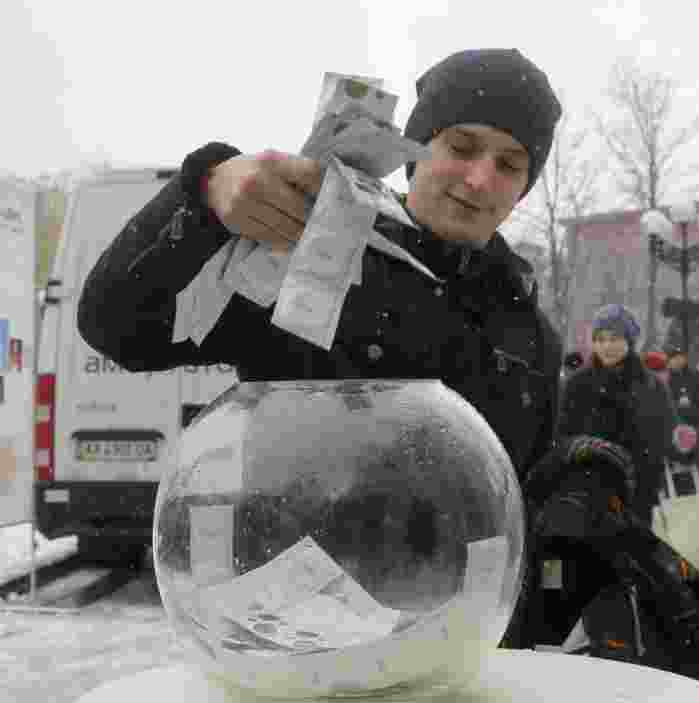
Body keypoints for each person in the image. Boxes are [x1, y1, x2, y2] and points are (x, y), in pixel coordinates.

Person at [78, 48, 566, 648]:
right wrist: (207, 189)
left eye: (511, 164)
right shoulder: (316, 254)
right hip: (300, 650)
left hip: (464, 656)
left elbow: (522, 488)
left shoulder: (525, 326)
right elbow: (116, 325)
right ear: (414, 150)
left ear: (522, 189)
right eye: (461, 147)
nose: (479, 178)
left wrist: (583, 474)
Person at [556, 304, 687, 526]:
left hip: (640, 497)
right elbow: (562, 437)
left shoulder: (651, 386)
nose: (606, 346)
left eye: (614, 339)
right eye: (600, 339)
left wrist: (684, 444)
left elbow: (669, 435)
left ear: (629, 341)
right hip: (591, 497)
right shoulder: (577, 386)